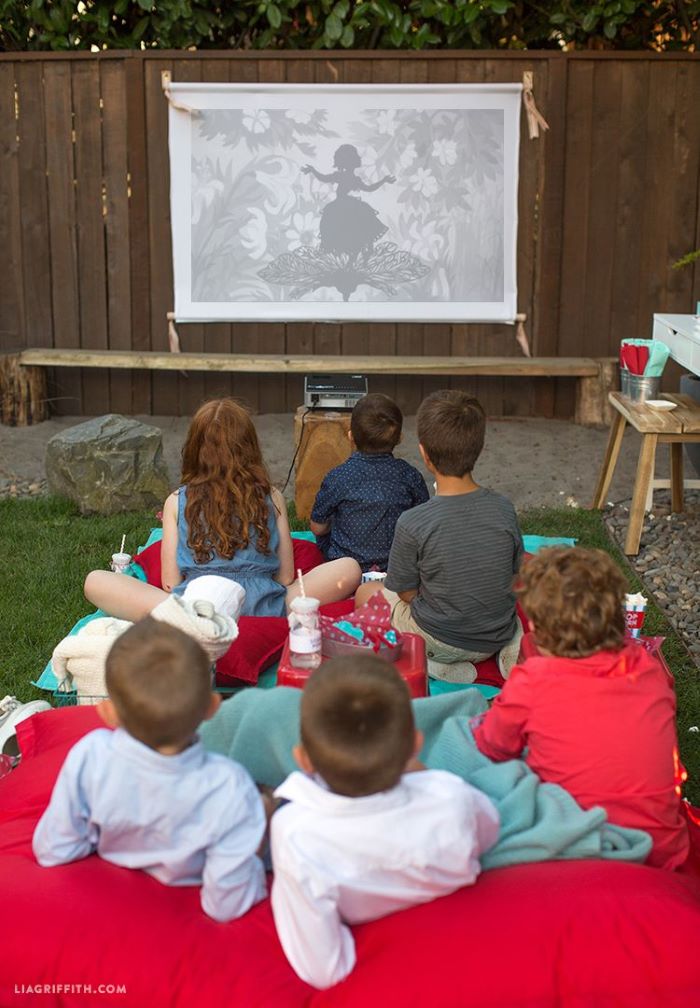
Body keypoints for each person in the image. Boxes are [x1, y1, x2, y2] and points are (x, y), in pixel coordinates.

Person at [269, 654, 499, 989]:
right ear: (416, 745)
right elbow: (488, 833)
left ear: (303, 760)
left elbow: (322, 969)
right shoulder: (450, 796)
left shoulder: (294, 833)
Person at [33, 619, 268, 922]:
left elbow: (54, 848)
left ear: (107, 712)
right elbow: (227, 902)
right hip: (190, 898)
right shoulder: (229, 784)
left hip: (110, 901)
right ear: (212, 706)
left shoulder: (90, 755)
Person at [472, 547, 689, 871]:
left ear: (538, 631)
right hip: (661, 851)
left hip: (576, 851)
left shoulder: (533, 681)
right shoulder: (648, 669)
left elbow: (493, 746)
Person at [84, 398, 361, 622]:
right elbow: (286, 577)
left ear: (194, 449)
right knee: (349, 567)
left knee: (96, 581)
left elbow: (170, 583)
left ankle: (179, 620)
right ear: (249, 447)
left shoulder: (177, 500)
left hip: (197, 608)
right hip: (263, 606)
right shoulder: (271, 496)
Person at [356, 390, 523, 683]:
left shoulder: (412, 522)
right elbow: (512, 574)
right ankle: (511, 650)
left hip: (439, 640)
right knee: (514, 611)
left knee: (366, 594)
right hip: (496, 632)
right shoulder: (504, 508)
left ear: (424, 454)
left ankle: (431, 664)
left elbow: (405, 592)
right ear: (479, 448)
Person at [310, 393, 429, 572]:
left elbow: (318, 528)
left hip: (344, 569)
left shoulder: (338, 477)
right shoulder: (410, 476)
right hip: (395, 569)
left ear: (351, 436)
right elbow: (423, 525)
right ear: (399, 438)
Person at [302, 144, 395, 258]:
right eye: (354, 158)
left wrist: (383, 180)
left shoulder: (352, 178)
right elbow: (324, 178)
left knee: (354, 229)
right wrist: (313, 170)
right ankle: (354, 253)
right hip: (343, 207)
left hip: (347, 207)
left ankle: (358, 253)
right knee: (345, 229)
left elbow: (369, 188)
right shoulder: (342, 176)